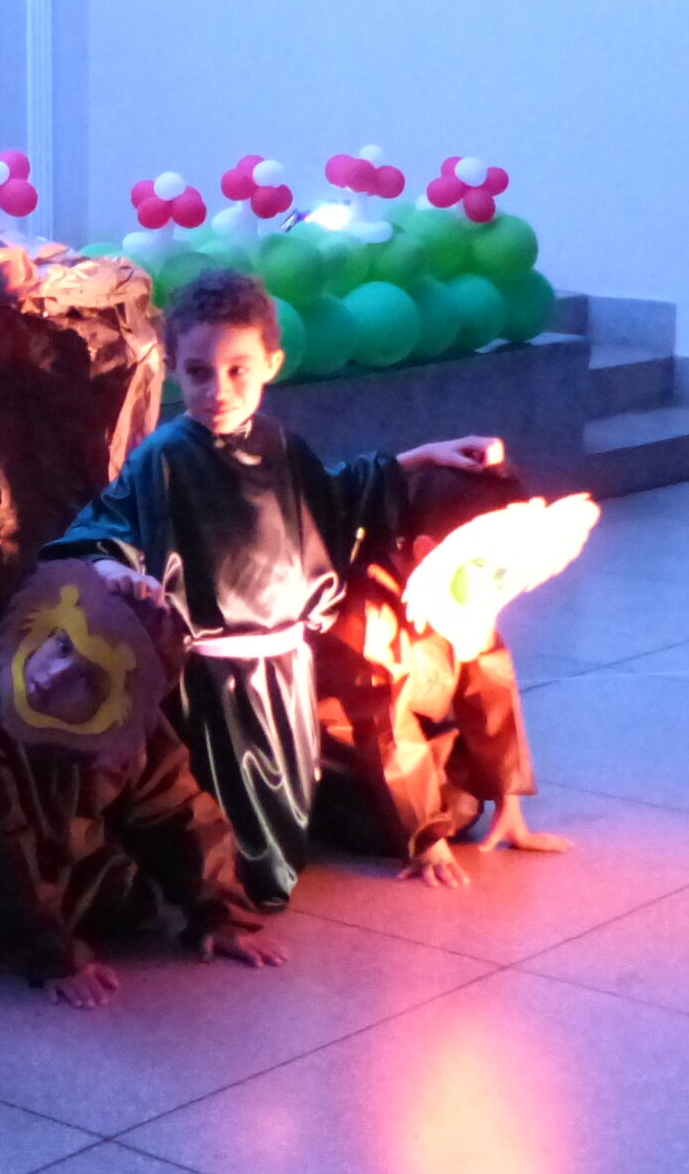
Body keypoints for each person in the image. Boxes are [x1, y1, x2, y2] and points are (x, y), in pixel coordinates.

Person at [41, 269, 501, 910]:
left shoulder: (280, 445)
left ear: (271, 365)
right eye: (198, 373)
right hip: (210, 683)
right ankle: (212, 887)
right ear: (173, 369)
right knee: (226, 826)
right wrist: (112, 565)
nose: (219, 391)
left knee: (285, 810)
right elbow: (102, 528)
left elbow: (332, 497)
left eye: (238, 371)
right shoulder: (165, 458)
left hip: (284, 671)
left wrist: (423, 456)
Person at [0, 561, 286, 1010]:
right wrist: (51, 956)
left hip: (55, 876)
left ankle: (55, 917)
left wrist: (220, 914)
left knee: (133, 888)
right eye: (62, 645)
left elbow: (178, 813)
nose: (54, 674)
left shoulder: (126, 727)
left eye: (89, 678)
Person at [313, 465, 579, 887]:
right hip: (346, 760)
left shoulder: (468, 592)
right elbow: (383, 728)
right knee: (392, 820)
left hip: (422, 729)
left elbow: (490, 688)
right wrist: (426, 837)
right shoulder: (369, 612)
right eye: (487, 564)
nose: (500, 580)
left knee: (461, 806)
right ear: (426, 550)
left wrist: (506, 801)